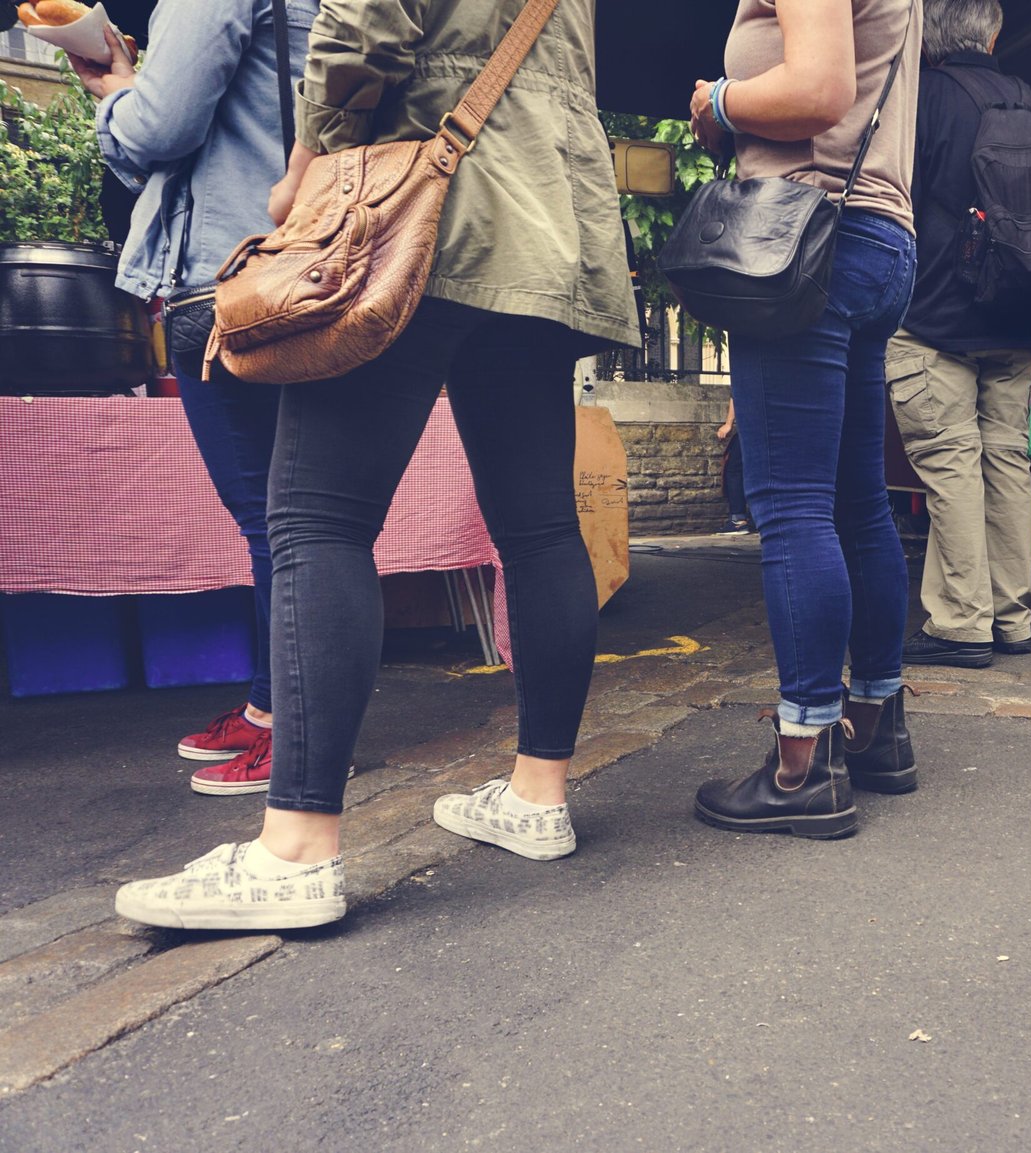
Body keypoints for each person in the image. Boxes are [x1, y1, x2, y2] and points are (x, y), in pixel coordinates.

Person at [114, 0, 638, 930]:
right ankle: (538, 794)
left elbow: (361, 30)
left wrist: (305, 172)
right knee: (540, 523)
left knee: (318, 519)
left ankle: (297, 850)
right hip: (549, 217)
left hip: (420, 200)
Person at [687, 0, 923, 839]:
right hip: (877, 233)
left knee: (791, 504)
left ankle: (803, 762)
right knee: (857, 502)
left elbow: (819, 89)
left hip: (803, 230)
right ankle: (877, 726)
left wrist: (719, 102)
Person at [68, 0, 316, 797]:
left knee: (281, 521)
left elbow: (156, 131)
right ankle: (276, 708)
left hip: (229, 279)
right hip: (281, 266)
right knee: (283, 517)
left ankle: (304, 734)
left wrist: (115, 93)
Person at [888, 0, 1031, 670]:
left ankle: (962, 622)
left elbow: (889, 199)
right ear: (994, 34)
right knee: (1005, 464)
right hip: (1018, 319)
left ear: (927, 37)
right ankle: (1012, 615)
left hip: (934, 319)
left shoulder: (921, 100)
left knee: (950, 466)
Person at [714, 396, 754, 536]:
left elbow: (736, 394)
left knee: (734, 469)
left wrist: (728, 423)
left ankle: (739, 521)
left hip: (753, 426)